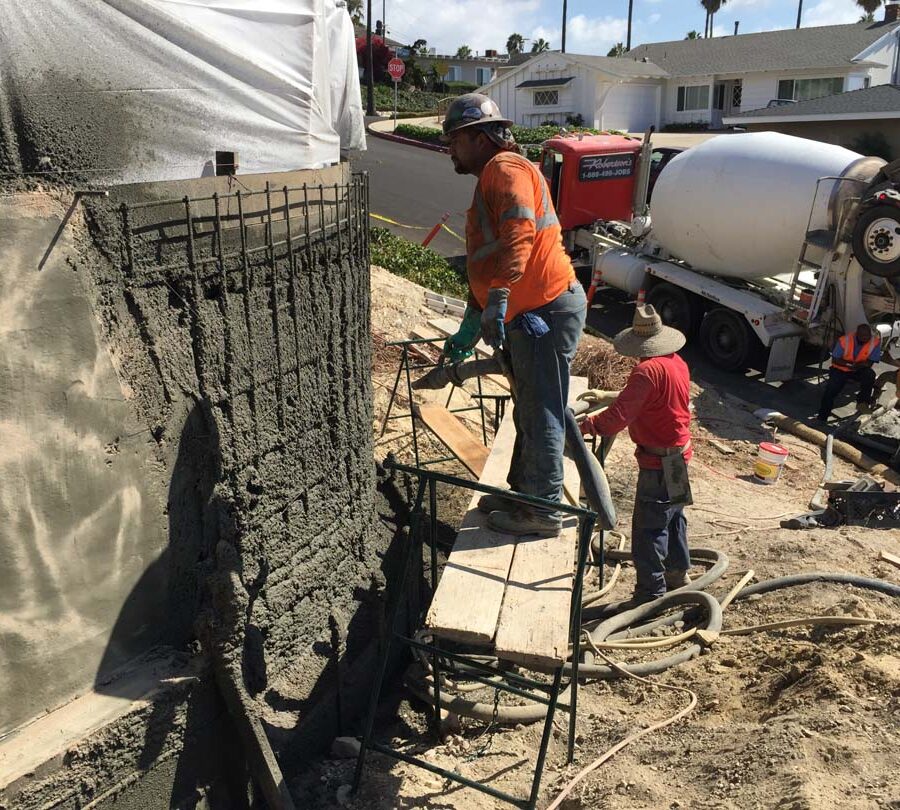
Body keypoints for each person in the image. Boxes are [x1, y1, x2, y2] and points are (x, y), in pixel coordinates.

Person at [440, 93, 587, 538]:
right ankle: (525, 493)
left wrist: (500, 295)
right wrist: (474, 316)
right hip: (529, 311)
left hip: (541, 309)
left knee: (541, 408)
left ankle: (542, 511)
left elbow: (519, 234)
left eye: (454, 140)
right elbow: (487, 255)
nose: (450, 149)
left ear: (477, 138)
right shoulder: (494, 174)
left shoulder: (504, 170)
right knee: (529, 405)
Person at [580, 304, 692, 603]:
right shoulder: (676, 362)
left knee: (649, 530)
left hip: (658, 462)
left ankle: (649, 595)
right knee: (674, 517)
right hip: (679, 456)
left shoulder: (645, 371)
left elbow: (617, 419)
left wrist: (585, 426)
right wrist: (608, 395)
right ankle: (677, 574)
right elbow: (647, 397)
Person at [816, 323, 882, 422]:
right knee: (831, 390)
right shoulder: (844, 340)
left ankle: (862, 402)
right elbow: (835, 360)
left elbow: (870, 362)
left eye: (868, 335)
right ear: (857, 335)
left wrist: (857, 366)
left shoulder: (874, 342)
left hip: (858, 369)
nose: (866, 338)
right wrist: (850, 365)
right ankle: (822, 416)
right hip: (840, 369)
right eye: (863, 336)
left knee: (869, 374)